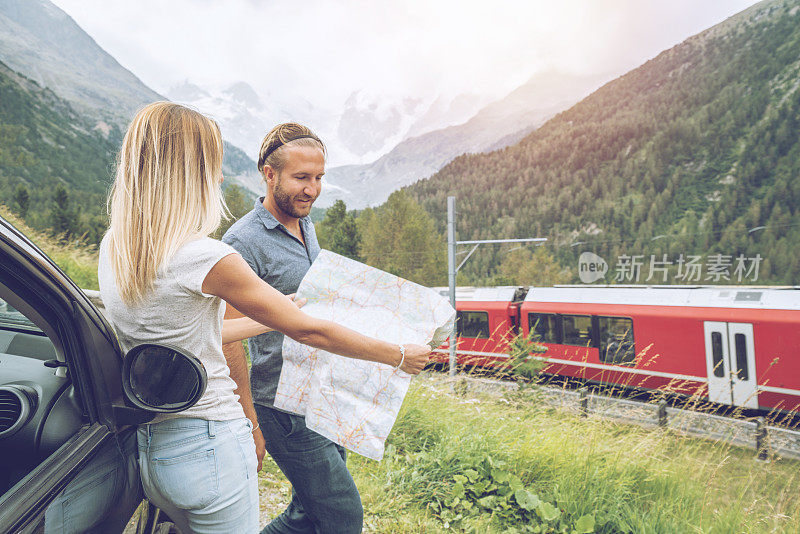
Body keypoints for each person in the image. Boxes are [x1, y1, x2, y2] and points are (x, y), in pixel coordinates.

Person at [98, 103, 431, 534]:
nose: (218, 177)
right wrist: (398, 354)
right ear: (188, 172)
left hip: (155, 443)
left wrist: (276, 314)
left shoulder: (117, 246)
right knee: (341, 515)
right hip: (210, 439)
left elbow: (194, 332)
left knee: (307, 512)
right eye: (212, 166)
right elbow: (306, 330)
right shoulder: (209, 254)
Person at [221, 123, 372, 534]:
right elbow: (229, 338)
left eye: (319, 178)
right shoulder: (242, 243)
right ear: (269, 175)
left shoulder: (304, 224)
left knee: (305, 515)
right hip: (284, 406)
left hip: (322, 391)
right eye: (301, 178)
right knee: (342, 516)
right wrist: (249, 421)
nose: (313, 189)